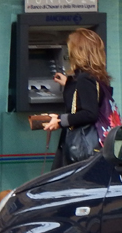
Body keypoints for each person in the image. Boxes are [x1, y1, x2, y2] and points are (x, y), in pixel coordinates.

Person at [41, 28, 113, 169]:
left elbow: (90, 113)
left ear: (78, 52)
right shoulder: (96, 76)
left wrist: (61, 120)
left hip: (81, 146)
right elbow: (88, 98)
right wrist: (68, 83)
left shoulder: (85, 79)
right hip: (94, 142)